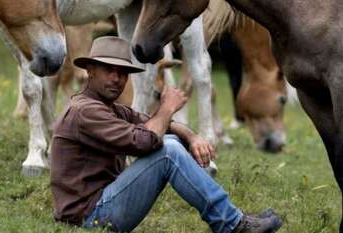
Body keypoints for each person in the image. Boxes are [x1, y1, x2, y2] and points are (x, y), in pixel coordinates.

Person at [50, 36, 283, 233]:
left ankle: (232, 219)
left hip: (101, 205)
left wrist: (192, 137)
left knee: (169, 140)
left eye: (123, 73)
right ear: (90, 70)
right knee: (167, 150)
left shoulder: (109, 108)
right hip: (89, 218)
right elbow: (145, 141)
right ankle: (232, 225)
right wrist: (168, 107)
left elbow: (156, 124)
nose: (116, 78)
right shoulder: (85, 111)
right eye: (109, 70)